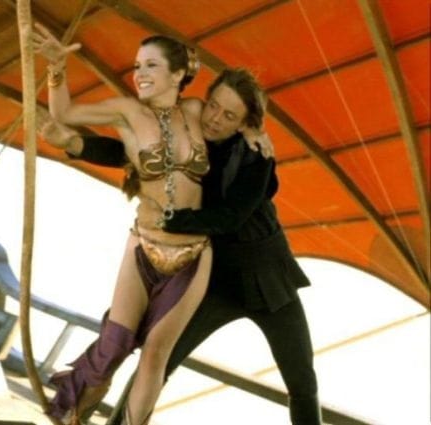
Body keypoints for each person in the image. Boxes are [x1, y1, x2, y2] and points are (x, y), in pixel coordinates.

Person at [40, 68, 322, 424]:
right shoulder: (183, 135)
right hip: (214, 283)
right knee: (158, 359)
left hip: (268, 281)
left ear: (244, 123)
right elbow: (130, 151)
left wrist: (172, 220)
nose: (215, 119)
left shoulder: (255, 154)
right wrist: (74, 144)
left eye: (230, 115)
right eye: (213, 106)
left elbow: (231, 217)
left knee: (302, 379)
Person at [33, 25, 219, 425]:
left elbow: (233, 124)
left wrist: (257, 131)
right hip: (144, 244)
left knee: (155, 355)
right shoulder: (127, 111)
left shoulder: (196, 110)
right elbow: (65, 113)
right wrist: (57, 68)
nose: (140, 74)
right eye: (137, 66)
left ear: (178, 74)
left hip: (194, 254)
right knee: (114, 346)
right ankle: (73, 414)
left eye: (151, 65)